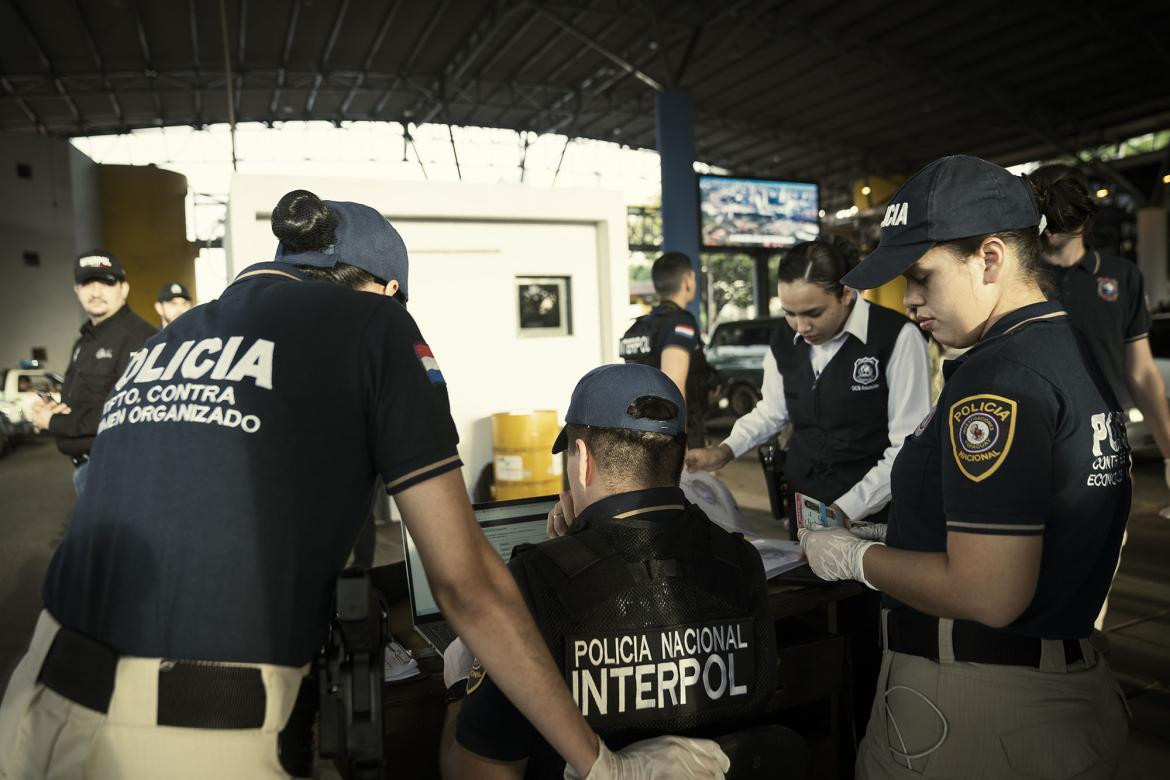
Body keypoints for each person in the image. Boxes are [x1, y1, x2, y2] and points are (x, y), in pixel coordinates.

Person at [0, 191, 725, 779]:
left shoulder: (167, 338)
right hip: (181, 735)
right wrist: (603, 767)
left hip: (33, 699)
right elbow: (466, 583)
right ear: (385, 289)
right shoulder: (376, 326)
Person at [799, 155, 1131, 778]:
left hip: (974, 712)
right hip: (1053, 692)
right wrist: (903, 533)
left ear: (990, 258)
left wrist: (855, 559)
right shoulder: (1059, 349)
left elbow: (989, 591)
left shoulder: (998, 382)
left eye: (922, 276)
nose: (911, 299)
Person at [439, 363, 770, 779]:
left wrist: (458, 684)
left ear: (583, 462)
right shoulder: (741, 562)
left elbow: (475, 774)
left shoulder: (534, 581)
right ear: (681, 457)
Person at [686, 236, 931, 737]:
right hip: (806, 511)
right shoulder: (785, 340)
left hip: (873, 520)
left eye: (812, 313)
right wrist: (724, 450)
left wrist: (844, 508)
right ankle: (826, 738)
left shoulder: (896, 338)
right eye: (790, 314)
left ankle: (875, 737)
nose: (800, 327)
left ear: (847, 293)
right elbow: (773, 410)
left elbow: (907, 444)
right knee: (812, 626)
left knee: (869, 635)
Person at [1030, 165, 1170, 628]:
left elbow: (1142, 373)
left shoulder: (1121, 277)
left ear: (1086, 219)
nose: (1055, 232)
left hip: (1103, 450)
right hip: (1033, 447)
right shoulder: (1018, 275)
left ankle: (1086, 655)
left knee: (1098, 575)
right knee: (1028, 571)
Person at [27, 250, 156, 495]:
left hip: (117, 470)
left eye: (107, 282)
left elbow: (128, 410)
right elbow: (85, 400)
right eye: (87, 283)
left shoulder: (140, 338)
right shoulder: (85, 341)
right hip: (88, 470)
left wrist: (53, 421)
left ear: (124, 288)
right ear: (77, 290)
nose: (96, 292)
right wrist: (53, 409)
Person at [619, 251, 715, 448]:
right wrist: (678, 445)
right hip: (671, 439)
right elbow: (673, 388)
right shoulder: (681, 324)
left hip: (639, 435)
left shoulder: (638, 327)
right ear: (688, 281)